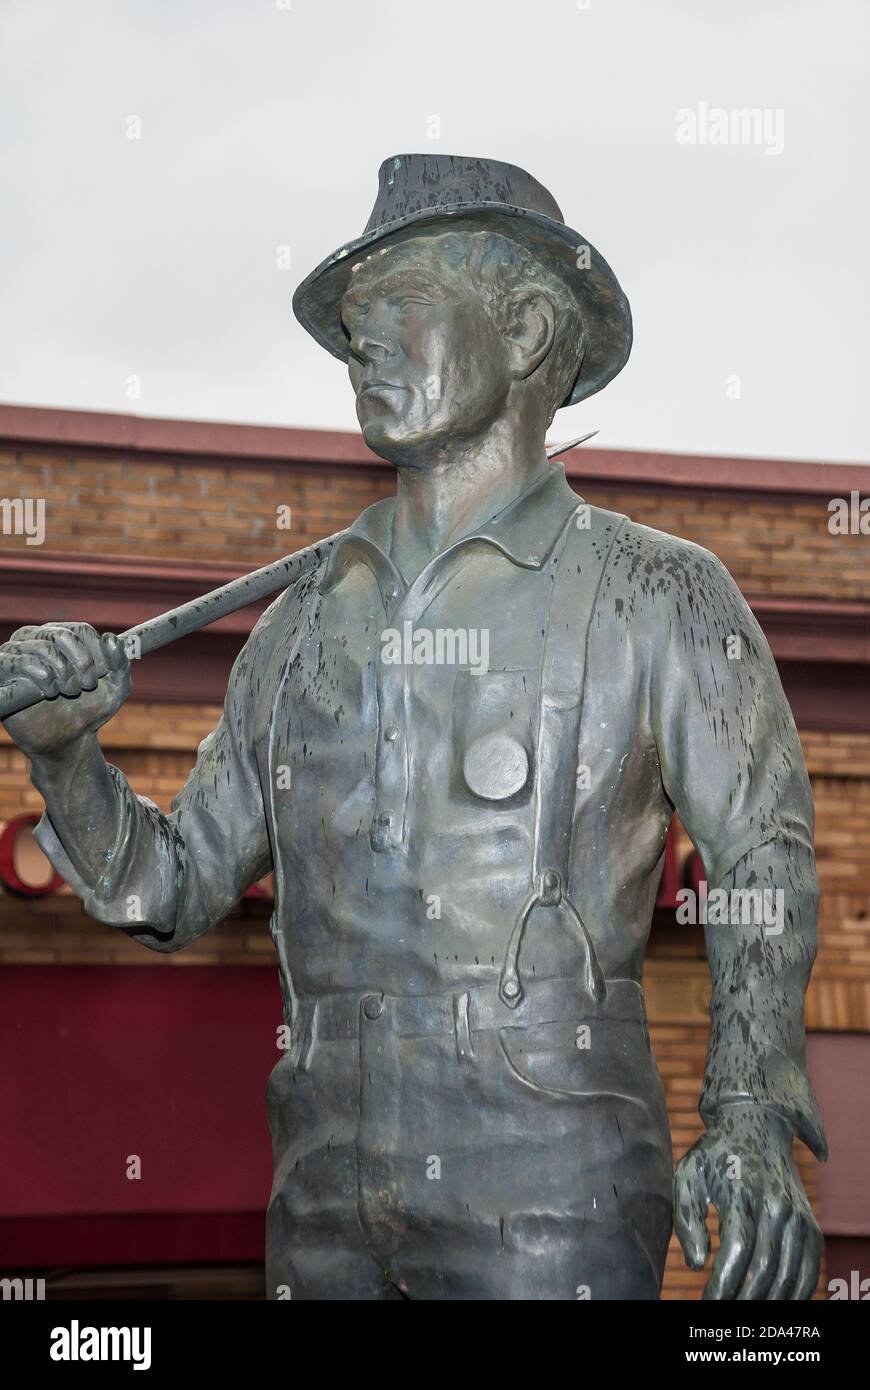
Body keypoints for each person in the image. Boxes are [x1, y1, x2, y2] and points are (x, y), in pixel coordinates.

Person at [0, 154, 825, 1300]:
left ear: (529, 327)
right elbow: (169, 887)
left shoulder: (658, 594)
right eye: (351, 320)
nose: (362, 341)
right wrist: (64, 755)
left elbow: (762, 858)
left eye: (399, 302)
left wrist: (745, 1108)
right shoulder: (293, 628)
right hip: (324, 1204)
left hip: (557, 1201)